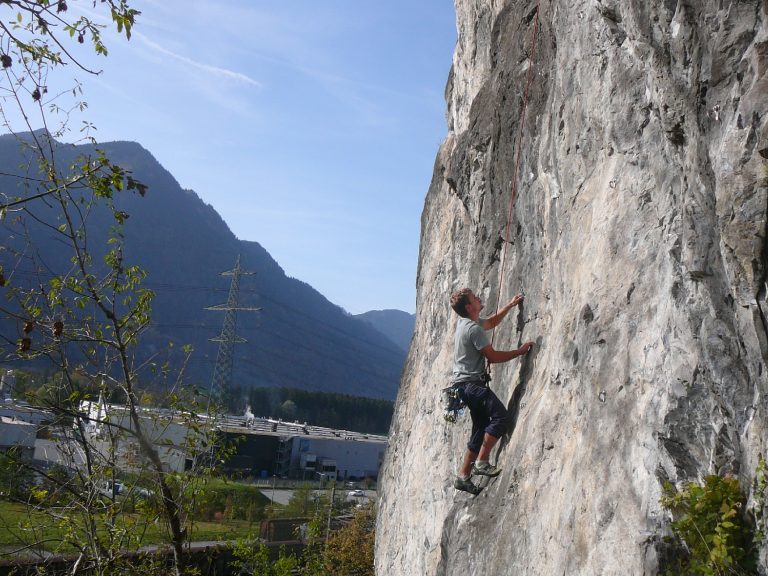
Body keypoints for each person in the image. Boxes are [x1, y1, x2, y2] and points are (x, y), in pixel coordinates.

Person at [449, 288, 534, 495]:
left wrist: (510, 305)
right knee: (500, 418)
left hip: (463, 387)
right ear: (469, 307)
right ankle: (482, 462)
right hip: (472, 386)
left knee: (480, 428)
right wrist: (520, 351)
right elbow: (493, 357)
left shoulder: (466, 324)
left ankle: (463, 476)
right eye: (475, 298)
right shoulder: (472, 329)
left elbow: (491, 323)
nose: (479, 298)